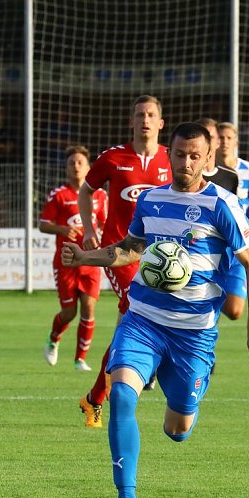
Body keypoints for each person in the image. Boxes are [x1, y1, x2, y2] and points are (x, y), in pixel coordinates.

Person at [60, 121, 249, 498]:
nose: (187, 162)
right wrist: (84, 258)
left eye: (196, 156)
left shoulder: (222, 205)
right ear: (169, 155)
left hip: (193, 335)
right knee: (121, 394)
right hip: (143, 319)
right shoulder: (153, 199)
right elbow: (130, 250)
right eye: (180, 154)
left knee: (178, 429)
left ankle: (191, 385)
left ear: (209, 158)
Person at [74, 94, 170, 428]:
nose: (145, 119)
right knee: (139, 307)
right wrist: (89, 230)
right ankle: (150, 364)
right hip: (121, 254)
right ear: (131, 121)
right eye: (140, 114)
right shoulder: (114, 158)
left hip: (159, 257)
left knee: (125, 333)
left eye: (151, 114)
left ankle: (94, 399)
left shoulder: (171, 161)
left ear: (161, 123)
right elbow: (85, 191)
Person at [39, 145, 107, 372]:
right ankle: (54, 338)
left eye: (80, 163)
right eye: (71, 163)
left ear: (89, 168)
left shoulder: (100, 195)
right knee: (69, 312)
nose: (76, 166)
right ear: (66, 168)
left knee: (88, 308)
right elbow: (42, 224)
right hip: (66, 262)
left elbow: (106, 223)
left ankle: (80, 359)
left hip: (90, 261)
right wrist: (61, 229)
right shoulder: (59, 195)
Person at [217, 121, 249, 320]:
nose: (225, 142)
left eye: (229, 138)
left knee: (235, 311)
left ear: (236, 141)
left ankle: (211, 295)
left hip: (238, 243)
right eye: (221, 138)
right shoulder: (209, 171)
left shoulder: (248, 169)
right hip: (216, 242)